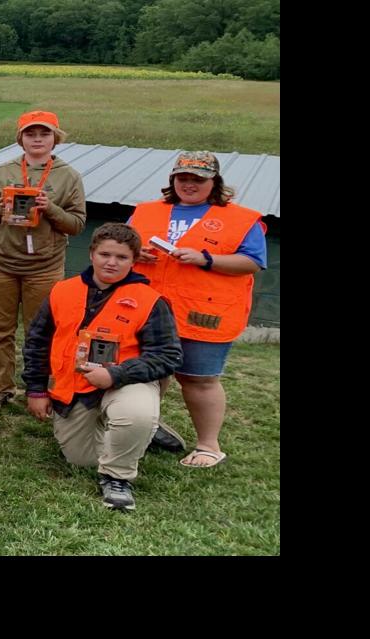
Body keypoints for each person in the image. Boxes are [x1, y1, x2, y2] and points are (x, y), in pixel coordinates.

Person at [21, 223, 181, 511]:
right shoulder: (62, 290)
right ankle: (142, 431)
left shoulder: (150, 301)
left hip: (125, 384)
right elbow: (37, 342)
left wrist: (115, 374)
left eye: (121, 257)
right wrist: (36, 389)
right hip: (75, 391)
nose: (111, 262)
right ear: (91, 253)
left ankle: (118, 477)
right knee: (81, 460)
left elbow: (168, 355)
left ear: (134, 260)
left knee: (134, 414)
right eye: (105, 254)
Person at [126, 151, 267, 469]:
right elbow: (120, 245)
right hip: (148, 308)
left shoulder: (241, 219)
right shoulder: (145, 211)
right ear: (173, 179)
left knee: (198, 379)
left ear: (214, 182)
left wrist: (206, 259)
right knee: (145, 373)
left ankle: (208, 446)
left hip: (204, 313)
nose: (189, 184)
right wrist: (136, 253)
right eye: (183, 178)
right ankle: (144, 428)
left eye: (198, 179)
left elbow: (253, 261)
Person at [0, 109, 85, 412]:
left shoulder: (69, 176)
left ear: (55, 138)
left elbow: (77, 225)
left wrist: (50, 208)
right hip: (0, 262)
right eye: (30, 134)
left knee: (41, 331)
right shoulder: (1, 172)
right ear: (20, 139)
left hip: (44, 266)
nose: (37, 139)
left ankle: (38, 388)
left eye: (44, 133)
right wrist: (1, 207)